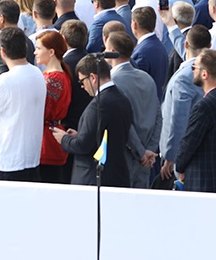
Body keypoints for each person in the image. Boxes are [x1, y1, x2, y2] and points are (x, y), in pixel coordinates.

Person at [0, 28, 47, 180]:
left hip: (6, 158)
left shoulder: (3, 82)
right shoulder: (38, 74)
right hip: (30, 155)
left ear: (2, 52)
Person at [52, 54, 135, 187]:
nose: (82, 86)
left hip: (94, 179)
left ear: (92, 77)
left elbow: (83, 146)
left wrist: (64, 139)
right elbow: (105, 136)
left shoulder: (98, 105)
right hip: (117, 174)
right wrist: (79, 135)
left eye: (82, 81)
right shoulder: (122, 99)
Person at [173, 49, 216, 194]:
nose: (192, 71)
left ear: (204, 74)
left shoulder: (204, 106)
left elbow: (190, 142)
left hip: (203, 182)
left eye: (194, 67)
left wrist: (179, 167)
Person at [103, 29, 162, 187]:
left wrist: (142, 152)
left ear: (113, 51)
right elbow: (158, 116)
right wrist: (150, 149)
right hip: (146, 157)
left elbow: (123, 122)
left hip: (126, 155)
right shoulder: (147, 78)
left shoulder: (113, 82)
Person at [159, 24, 212, 183]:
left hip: (182, 154)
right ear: (209, 46)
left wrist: (171, 156)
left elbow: (178, 119)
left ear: (186, 44)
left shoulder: (184, 77)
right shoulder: (208, 70)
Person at [34, 30, 73, 183]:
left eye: (38, 48)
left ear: (51, 52)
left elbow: (43, 111)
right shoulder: (59, 75)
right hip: (51, 137)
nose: (35, 52)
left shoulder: (53, 79)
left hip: (48, 141)